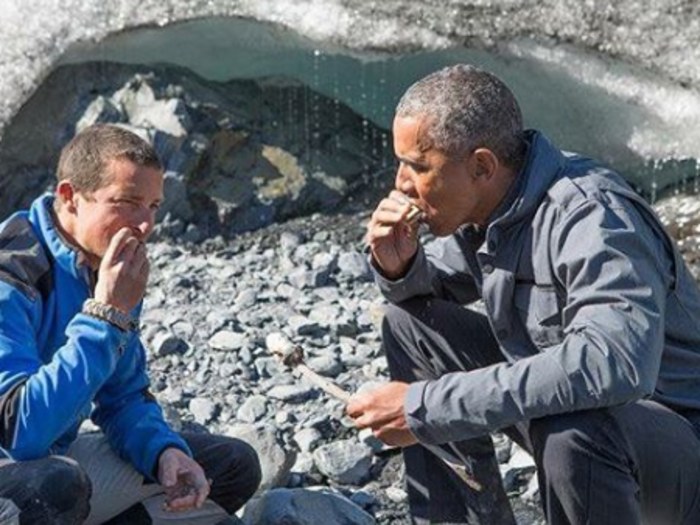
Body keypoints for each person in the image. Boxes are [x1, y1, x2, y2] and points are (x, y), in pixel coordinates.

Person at [347, 64, 700, 525]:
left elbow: (614, 365)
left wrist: (426, 406)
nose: (401, 183)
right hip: (590, 419)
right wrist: (400, 267)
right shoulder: (490, 205)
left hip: (675, 450)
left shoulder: (594, 217)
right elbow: (437, 291)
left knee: (574, 428)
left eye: (418, 165)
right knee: (410, 323)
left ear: (481, 165)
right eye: (401, 163)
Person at [0, 124, 261, 525]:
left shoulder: (109, 262)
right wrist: (105, 315)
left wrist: (162, 451)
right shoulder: (12, 274)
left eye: (154, 206)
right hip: (18, 466)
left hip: (51, 465)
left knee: (229, 466)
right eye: (127, 202)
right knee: (57, 485)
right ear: (70, 197)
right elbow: (20, 431)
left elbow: (122, 396)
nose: (145, 225)